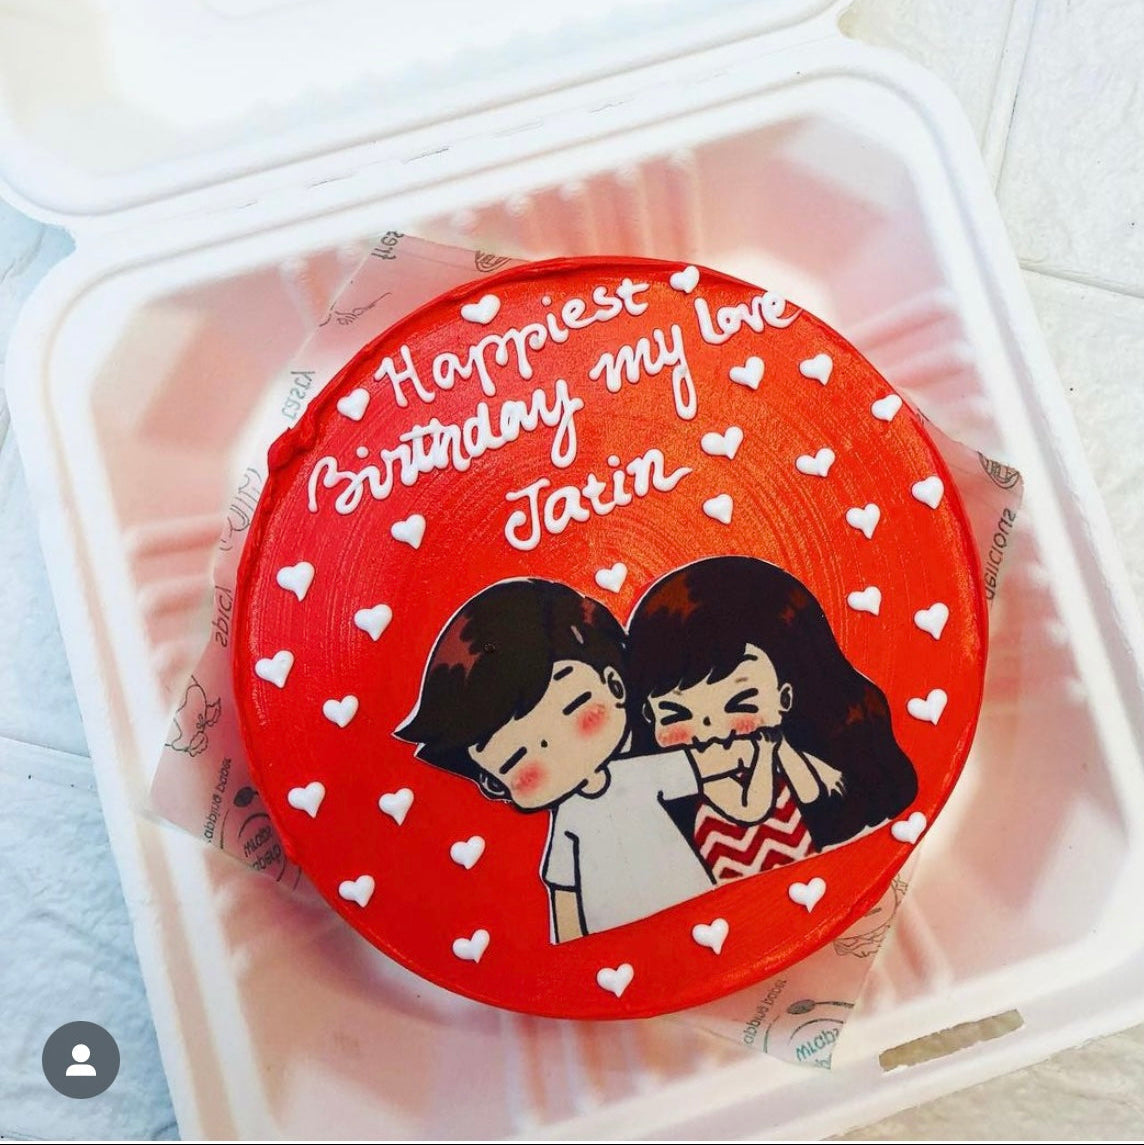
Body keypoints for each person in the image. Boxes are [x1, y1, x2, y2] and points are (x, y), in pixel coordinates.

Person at [396, 578, 715, 942]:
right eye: (516, 758)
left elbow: (709, 770)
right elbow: (564, 893)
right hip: (610, 931)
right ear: (494, 781)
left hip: (690, 896)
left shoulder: (639, 773)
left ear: (615, 685)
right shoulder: (569, 821)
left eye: (573, 707)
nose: (554, 748)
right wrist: (571, 950)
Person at [626, 556, 918, 881]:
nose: (711, 734)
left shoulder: (791, 748)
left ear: (785, 698)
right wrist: (766, 755)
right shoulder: (692, 781)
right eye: (677, 714)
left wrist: (782, 752)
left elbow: (813, 794)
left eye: (741, 704)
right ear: (648, 715)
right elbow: (751, 808)